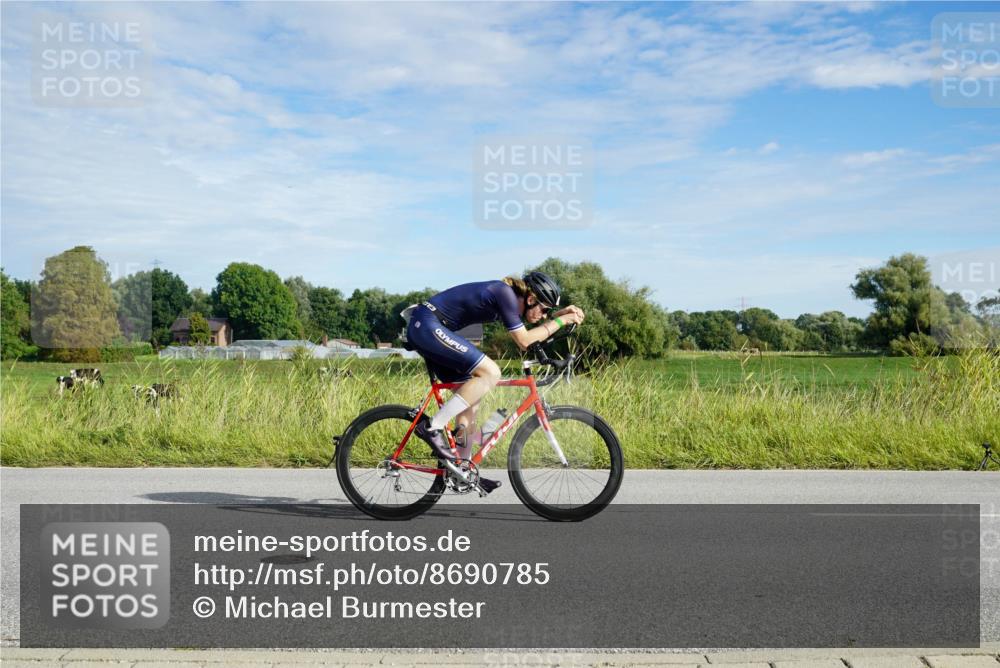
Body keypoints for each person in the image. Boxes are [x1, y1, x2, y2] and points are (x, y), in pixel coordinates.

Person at [405, 271, 584, 489]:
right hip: (427, 324)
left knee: (471, 399)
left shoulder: (511, 301)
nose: (545, 315)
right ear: (530, 299)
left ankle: (461, 469)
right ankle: (431, 427)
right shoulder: (504, 294)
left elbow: (534, 327)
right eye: (544, 309)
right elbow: (525, 341)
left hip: (432, 327)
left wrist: (558, 315)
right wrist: (562, 320)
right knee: (491, 372)